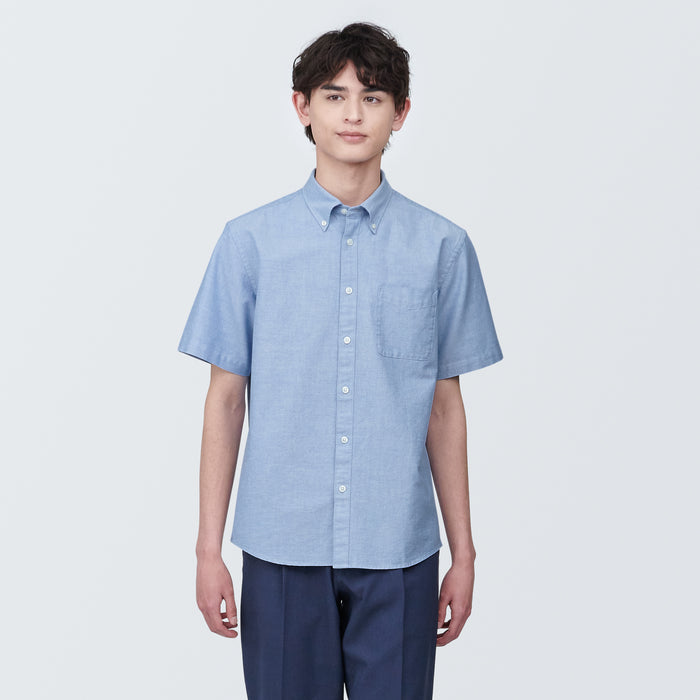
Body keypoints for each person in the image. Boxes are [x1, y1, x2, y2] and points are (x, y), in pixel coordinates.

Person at [177, 21, 503, 700]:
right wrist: (208, 550)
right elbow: (225, 400)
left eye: (373, 97)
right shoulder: (249, 244)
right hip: (281, 546)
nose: (353, 114)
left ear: (400, 113)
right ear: (303, 107)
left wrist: (464, 553)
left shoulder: (442, 248)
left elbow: (445, 409)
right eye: (335, 95)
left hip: (400, 549)